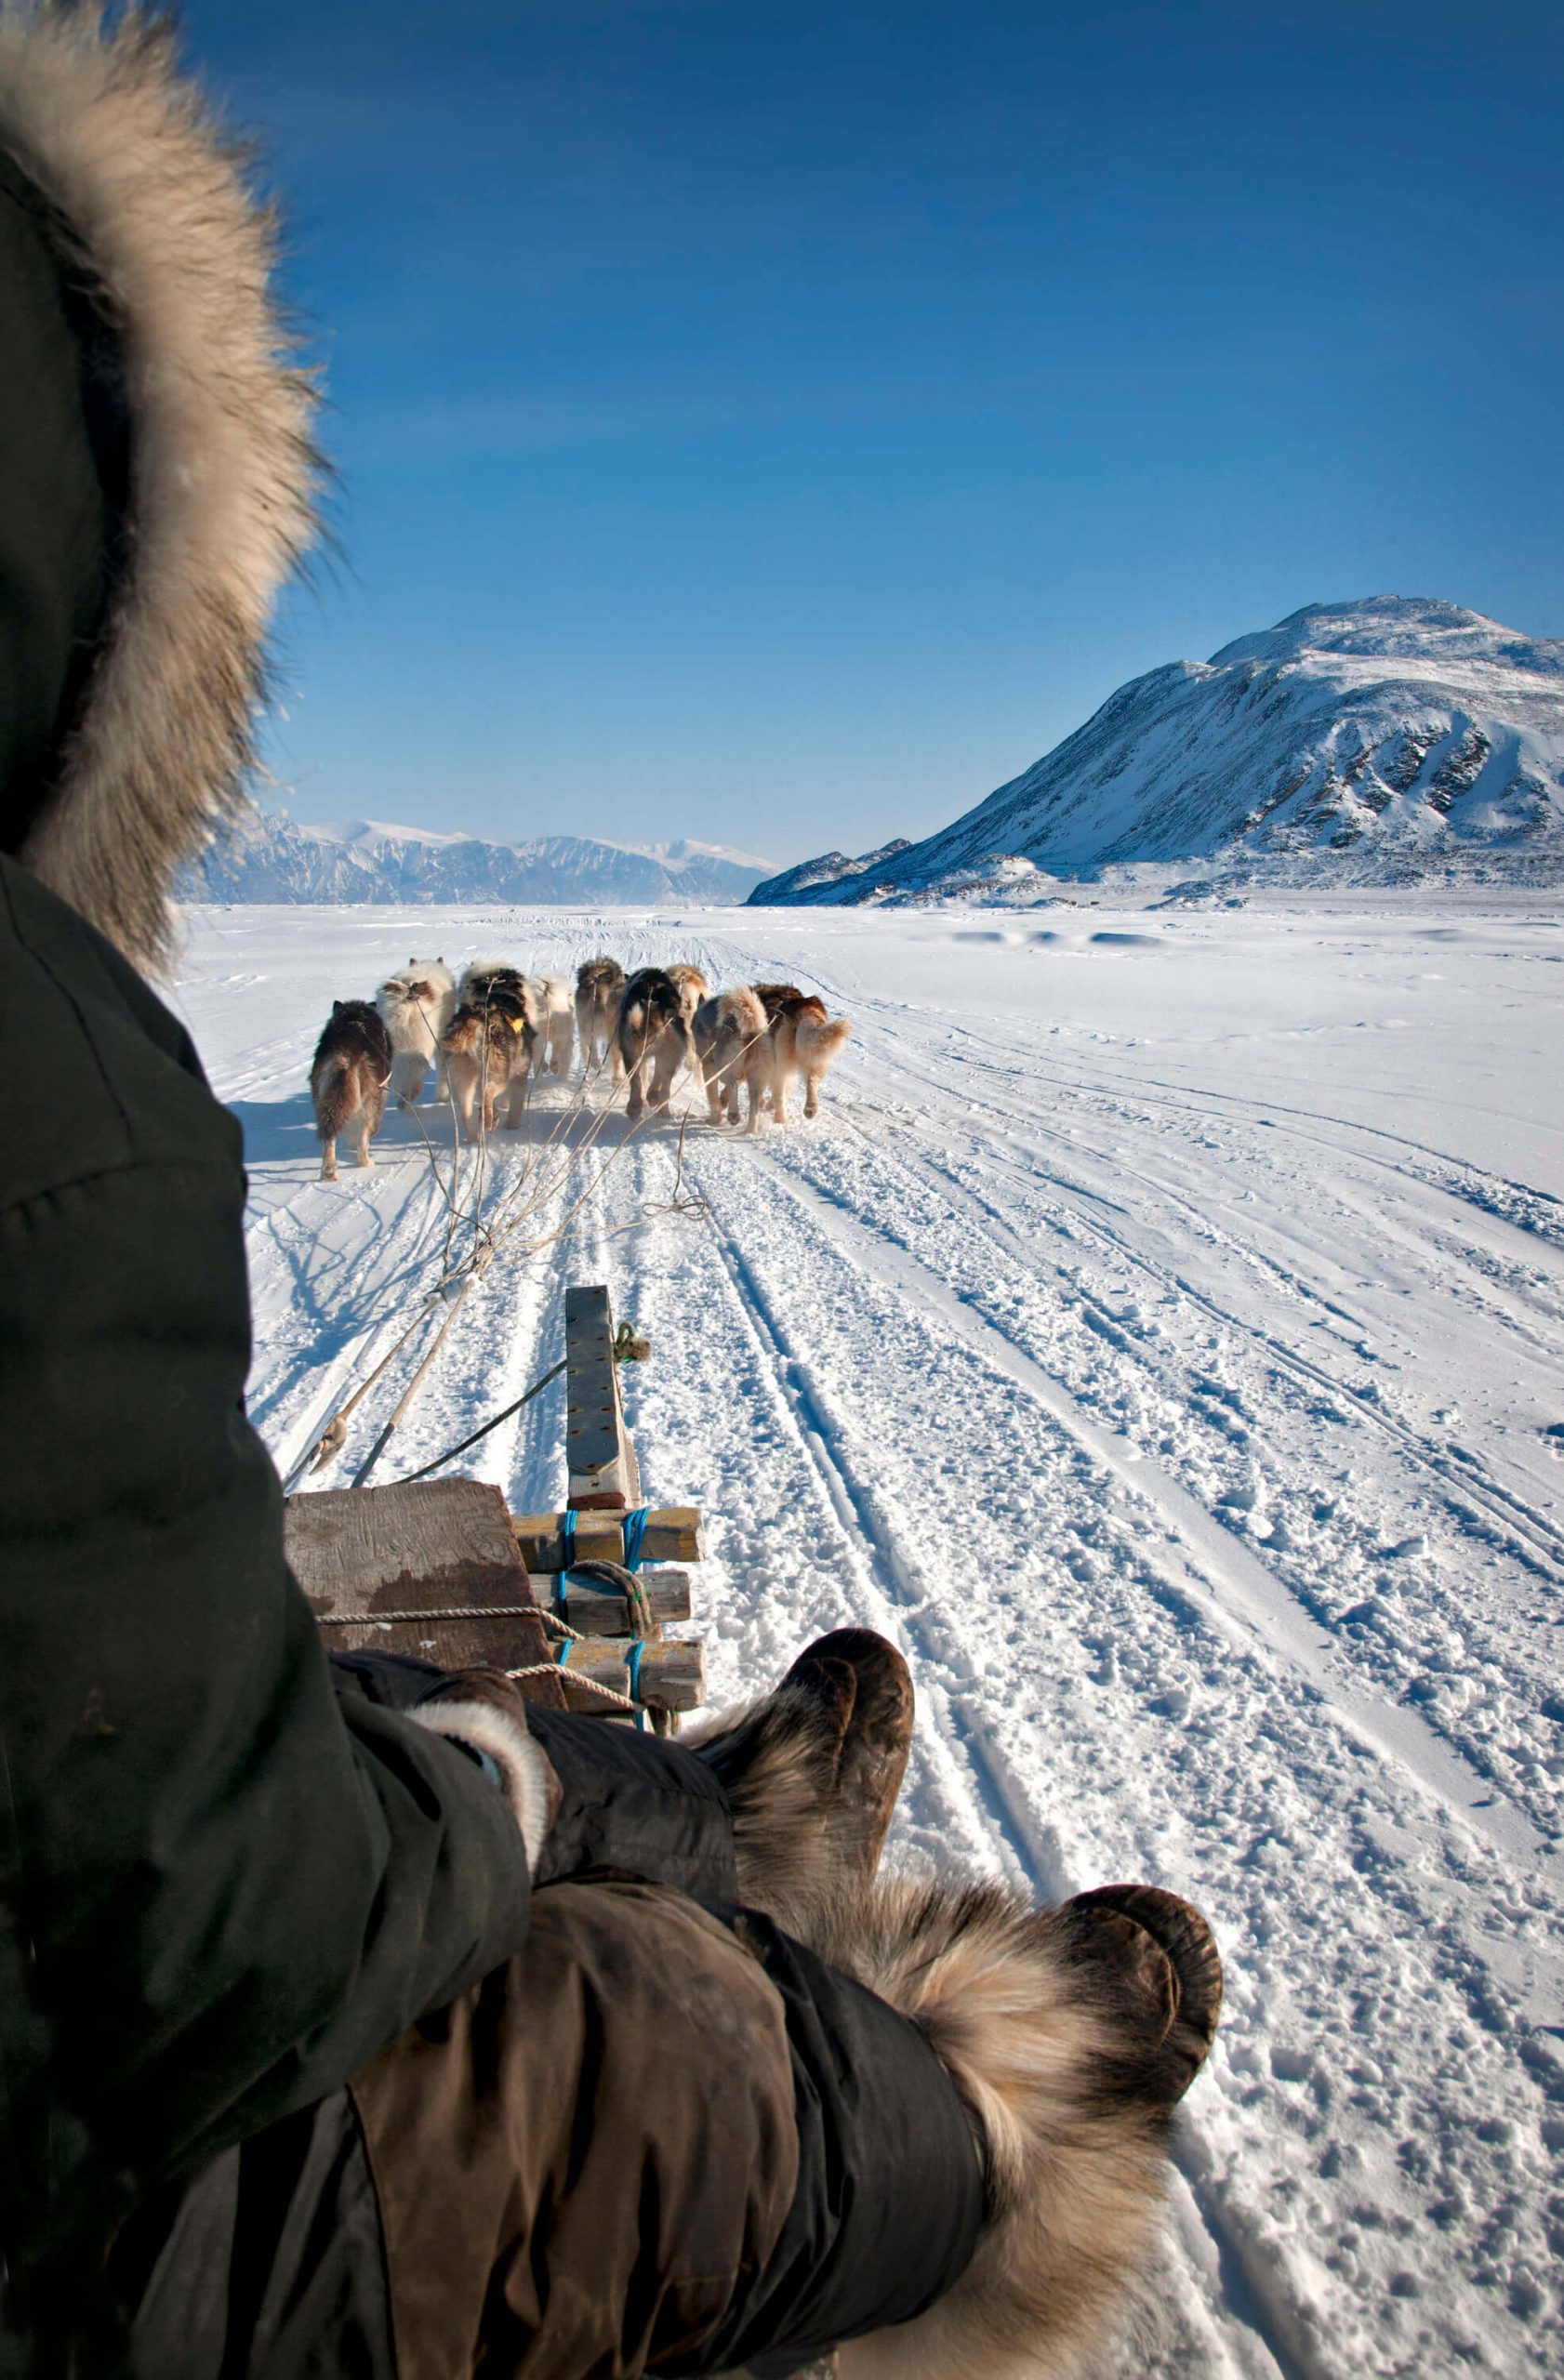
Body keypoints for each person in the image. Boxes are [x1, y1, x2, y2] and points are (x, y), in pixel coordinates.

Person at [0, 9, 1221, 2376]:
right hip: (117, 2230)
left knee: (374, 1711)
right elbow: (236, 1937)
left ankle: (721, 1794)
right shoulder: (51, 1087)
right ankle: (994, 2097)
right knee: (660, 2070)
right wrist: (482, 1780)